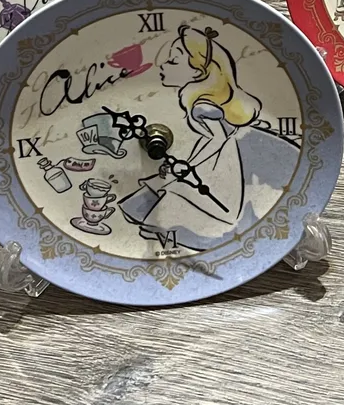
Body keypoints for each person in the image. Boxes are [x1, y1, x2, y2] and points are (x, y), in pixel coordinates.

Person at [117, 25, 298, 252]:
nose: (163, 65)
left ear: (197, 72)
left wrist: (188, 168)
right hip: (215, 160)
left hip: (218, 163)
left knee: (190, 205)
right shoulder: (199, 100)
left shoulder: (201, 106)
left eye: (173, 61)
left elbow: (216, 142)